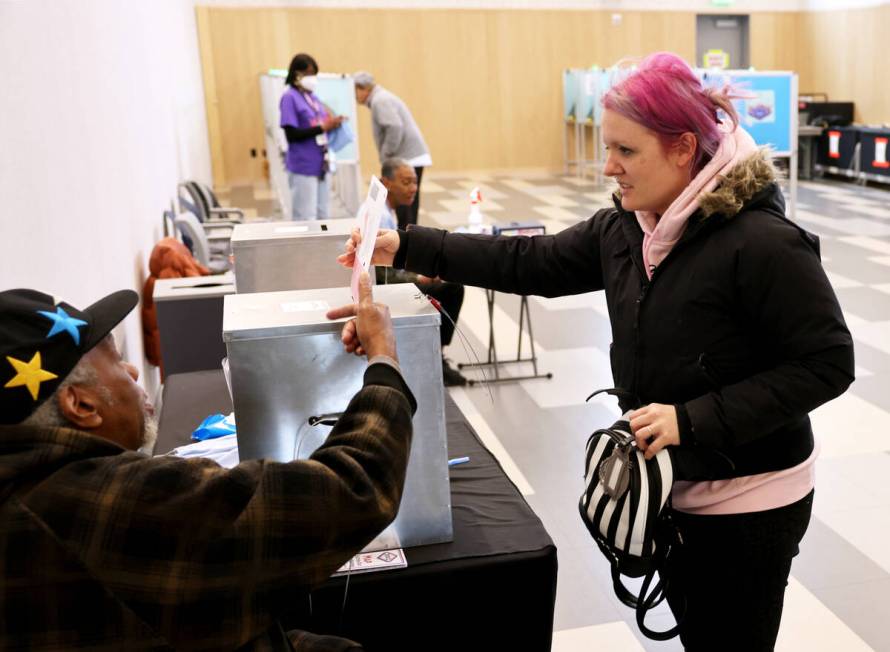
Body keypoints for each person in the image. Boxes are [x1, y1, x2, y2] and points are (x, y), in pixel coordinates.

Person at [340, 53, 855, 650]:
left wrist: (692, 420)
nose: (608, 166)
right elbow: (528, 261)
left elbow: (827, 363)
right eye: (608, 148)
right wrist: (405, 245)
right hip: (670, 482)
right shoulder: (628, 228)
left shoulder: (762, 243)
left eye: (626, 151)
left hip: (749, 499)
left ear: (685, 148)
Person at [0, 274, 414, 650]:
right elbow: (348, 490)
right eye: (116, 361)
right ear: (82, 404)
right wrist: (384, 362)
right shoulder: (112, 502)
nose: (131, 369)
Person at [378, 158, 467, 387]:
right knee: (452, 288)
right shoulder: (382, 217)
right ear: (386, 183)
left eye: (415, 182)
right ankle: (436, 357)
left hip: (393, 279)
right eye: (406, 182)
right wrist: (418, 277)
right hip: (385, 288)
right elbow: (382, 275)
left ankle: (436, 353)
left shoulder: (389, 209)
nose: (413, 188)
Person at [354, 72, 431, 230]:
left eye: (354, 91)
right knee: (408, 205)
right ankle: (409, 240)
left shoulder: (379, 100)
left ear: (362, 88)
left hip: (407, 158)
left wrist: (387, 155)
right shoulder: (380, 97)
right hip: (408, 156)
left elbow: (395, 127)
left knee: (403, 202)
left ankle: (405, 242)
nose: (354, 97)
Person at [280, 53, 344, 221]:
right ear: (296, 74)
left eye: (314, 74)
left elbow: (320, 123)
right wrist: (321, 127)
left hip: (321, 164)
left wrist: (332, 123)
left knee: (324, 215)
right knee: (305, 216)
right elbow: (291, 135)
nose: (312, 79)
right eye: (308, 74)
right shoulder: (289, 97)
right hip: (303, 165)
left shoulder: (312, 97)